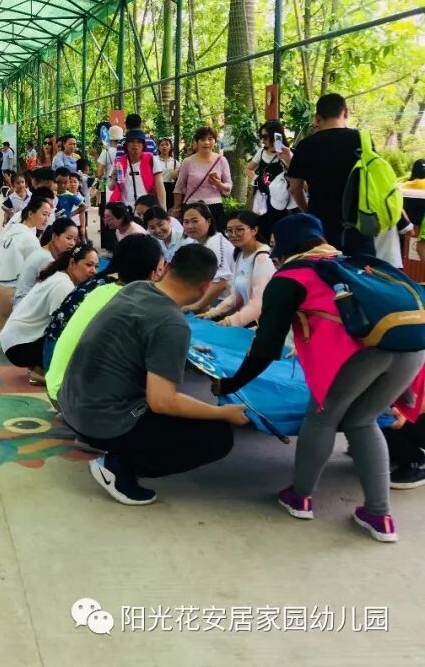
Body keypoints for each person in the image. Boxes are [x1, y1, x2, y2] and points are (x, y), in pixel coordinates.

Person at [214, 214, 425, 541]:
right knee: (362, 420)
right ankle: (379, 516)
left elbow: (265, 349)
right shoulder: (352, 263)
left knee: (322, 417)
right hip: (413, 349)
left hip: (362, 355)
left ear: (283, 246)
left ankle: (300, 497)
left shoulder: (291, 276)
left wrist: (231, 384)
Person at [61, 244, 248, 506]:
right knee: (217, 437)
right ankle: (117, 467)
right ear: (206, 287)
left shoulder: (136, 288)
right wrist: (222, 413)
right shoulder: (171, 322)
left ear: (166, 268)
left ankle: (107, 443)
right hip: (101, 419)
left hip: (71, 404)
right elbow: (162, 401)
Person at [44, 234, 166, 400]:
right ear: (152, 274)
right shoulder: (134, 302)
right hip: (73, 399)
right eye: (160, 270)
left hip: (55, 384)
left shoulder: (102, 289)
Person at [286, 93, 376, 257]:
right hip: (357, 223)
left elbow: (294, 188)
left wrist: (308, 211)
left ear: (317, 117)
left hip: (320, 226)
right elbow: (375, 179)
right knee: (361, 269)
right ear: (346, 112)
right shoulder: (362, 140)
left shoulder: (306, 146)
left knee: (324, 268)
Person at [0, 244, 98, 380]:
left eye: (96, 266)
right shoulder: (63, 285)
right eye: (89, 265)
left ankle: (39, 366)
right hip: (19, 347)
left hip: (14, 342)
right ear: (72, 263)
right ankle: (42, 369)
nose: (94, 271)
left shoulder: (59, 277)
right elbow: (63, 328)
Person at [0, 198, 54, 337]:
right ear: (31, 214)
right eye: (44, 214)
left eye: (48, 215)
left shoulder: (12, 230)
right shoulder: (29, 239)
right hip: (10, 293)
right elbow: (41, 270)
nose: (46, 219)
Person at [197, 211, 274, 328]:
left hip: (262, 325)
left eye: (239, 230)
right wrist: (212, 313)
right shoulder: (240, 254)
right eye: (229, 230)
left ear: (254, 230)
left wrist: (229, 321)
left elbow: (258, 304)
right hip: (244, 322)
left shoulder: (263, 258)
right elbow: (235, 295)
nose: (233, 234)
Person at [179, 202, 234, 313]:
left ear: (208, 221)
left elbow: (222, 283)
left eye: (195, 221)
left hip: (224, 301)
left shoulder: (215, 244)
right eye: (186, 222)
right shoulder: (196, 241)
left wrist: (197, 306)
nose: (189, 226)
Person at [174, 127, 232, 230]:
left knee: (214, 237)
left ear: (215, 141)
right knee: (192, 236)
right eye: (203, 139)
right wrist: (177, 208)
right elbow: (179, 187)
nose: (206, 143)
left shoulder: (221, 160)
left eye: (210, 139)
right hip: (192, 206)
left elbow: (228, 186)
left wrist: (218, 184)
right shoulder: (188, 162)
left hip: (214, 207)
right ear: (197, 141)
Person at [246, 120, 294, 240]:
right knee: (263, 229)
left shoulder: (287, 153)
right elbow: (248, 168)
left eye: (265, 136)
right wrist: (257, 179)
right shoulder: (262, 152)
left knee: (281, 231)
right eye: (261, 136)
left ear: (275, 135)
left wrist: (285, 158)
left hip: (281, 199)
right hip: (263, 198)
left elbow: (295, 175)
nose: (263, 140)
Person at [14, 218, 79, 305]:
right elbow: (54, 291)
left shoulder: (45, 253)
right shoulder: (45, 259)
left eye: (75, 239)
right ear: (54, 237)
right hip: (26, 306)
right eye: (69, 238)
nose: (72, 243)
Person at [110, 129, 166, 211]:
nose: (135, 145)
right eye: (131, 141)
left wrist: (163, 210)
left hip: (147, 209)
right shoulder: (120, 163)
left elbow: (160, 186)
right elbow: (111, 187)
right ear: (126, 145)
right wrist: (114, 179)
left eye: (139, 142)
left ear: (143, 145)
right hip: (125, 210)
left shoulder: (152, 160)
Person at [96, 124, 123, 253]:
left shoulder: (106, 151)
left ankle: (108, 244)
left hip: (108, 187)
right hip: (121, 186)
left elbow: (100, 171)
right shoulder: (123, 152)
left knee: (107, 214)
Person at [156, 137, 179, 208]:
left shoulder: (175, 162)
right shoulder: (154, 160)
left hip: (170, 189)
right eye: (162, 145)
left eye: (167, 144)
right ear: (158, 147)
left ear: (170, 147)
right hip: (157, 187)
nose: (164, 147)